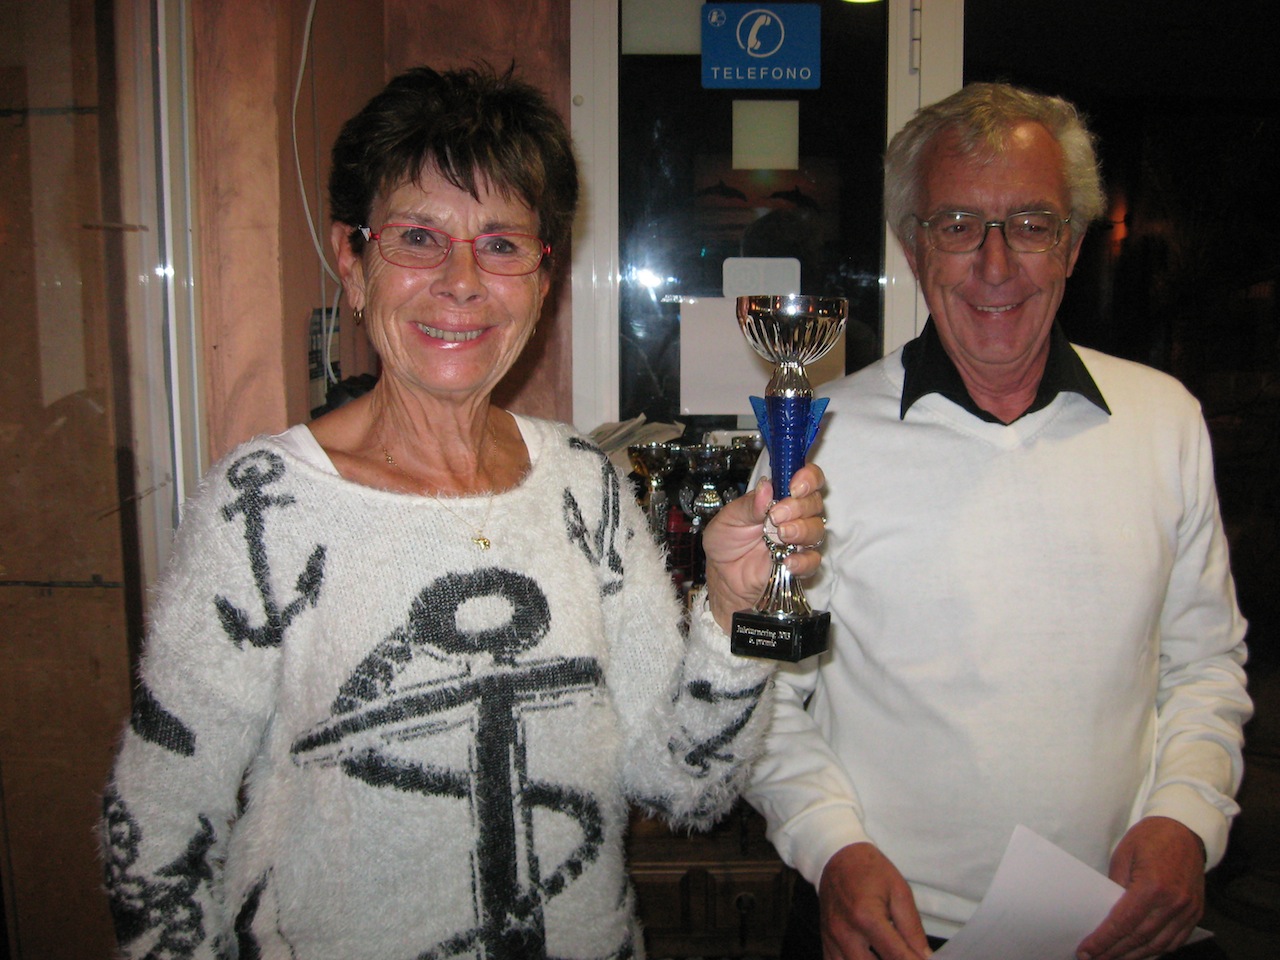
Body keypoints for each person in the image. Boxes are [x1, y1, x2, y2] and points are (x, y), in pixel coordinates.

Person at [99, 65, 826, 960]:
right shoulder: (264, 508)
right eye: (417, 237)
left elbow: (685, 786)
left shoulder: (584, 487)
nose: (461, 281)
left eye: (502, 244)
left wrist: (733, 612)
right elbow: (157, 833)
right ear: (353, 262)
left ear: (544, 280)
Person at [745, 82, 1252, 960]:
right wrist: (831, 849)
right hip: (893, 933)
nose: (994, 263)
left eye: (1030, 223)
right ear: (914, 248)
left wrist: (1188, 817)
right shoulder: (816, 443)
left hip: (1118, 927)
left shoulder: (1164, 419)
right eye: (957, 225)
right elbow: (763, 691)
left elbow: (1203, 664)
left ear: (1072, 245)